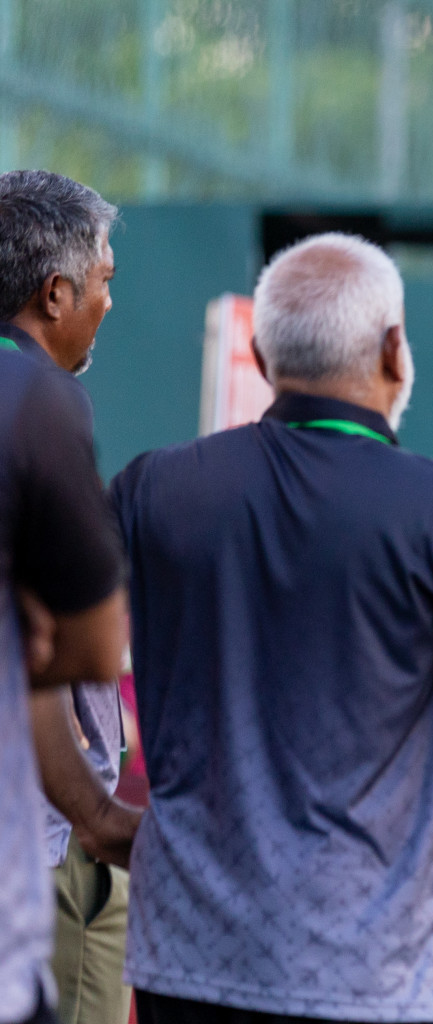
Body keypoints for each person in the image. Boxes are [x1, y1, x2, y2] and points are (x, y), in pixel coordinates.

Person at [111, 233, 433, 1024]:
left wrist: (87, 807)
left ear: (261, 355)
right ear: (395, 349)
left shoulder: (154, 486)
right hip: (363, 972)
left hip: (182, 957)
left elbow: (35, 637)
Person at [0, 169, 140, 1024]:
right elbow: (91, 649)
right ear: (56, 294)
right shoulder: (40, 400)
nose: (110, 303)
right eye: (106, 281)